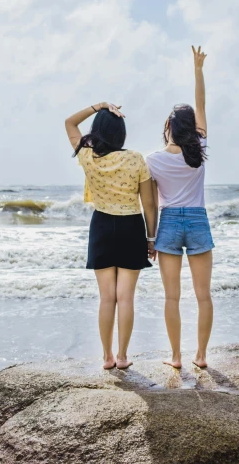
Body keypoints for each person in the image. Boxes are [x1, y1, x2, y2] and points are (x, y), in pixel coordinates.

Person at [65, 102, 158, 370]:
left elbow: (70, 123)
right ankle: (123, 356)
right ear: (121, 133)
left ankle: (106, 356)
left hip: (102, 226)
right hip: (131, 226)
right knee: (125, 297)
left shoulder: (87, 155)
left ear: (97, 131)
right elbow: (149, 204)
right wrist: (151, 239)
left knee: (107, 297)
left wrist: (99, 107)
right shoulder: (136, 159)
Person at [146, 46, 214, 369]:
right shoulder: (199, 148)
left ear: (169, 127)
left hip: (169, 223)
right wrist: (198, 70)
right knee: (203, 296)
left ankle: (176, 357)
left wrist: (150, 237)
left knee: (172, 297)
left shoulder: (153, 160)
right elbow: (200, 104)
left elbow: (148, 201)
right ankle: (200, 356)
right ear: (190, 127)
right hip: (198, 220)